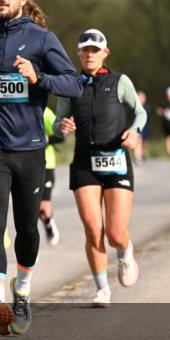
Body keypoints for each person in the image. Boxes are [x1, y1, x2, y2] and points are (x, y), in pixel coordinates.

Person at [0, 0, 82, 336]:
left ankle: (23, 291)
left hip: (29, 148)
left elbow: (74, 84)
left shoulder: (42, 39)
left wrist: (38, 77)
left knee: (27, 229)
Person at [56, 29, 145, 306]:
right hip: (85, 161)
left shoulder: (120, 81)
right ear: (78, 53)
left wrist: (134, 132)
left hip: (116, 159)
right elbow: (58, 123)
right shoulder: (70, 85)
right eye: (85, 50)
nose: (90, 54)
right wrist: (62, 126)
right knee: (94, 230)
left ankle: (125, 252)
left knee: (115, 233)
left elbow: (140, 112)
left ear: (105, 53)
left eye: (95, 50)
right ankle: (102, 289)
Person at [39, 106, 64, 246]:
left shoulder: (46, 113)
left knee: (44, 204)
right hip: (26, 164)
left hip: (46, 164)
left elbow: (61, 136)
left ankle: (48, 224)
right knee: (31, 205)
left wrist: (47, 139)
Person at [156, 86, 170, 163]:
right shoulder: (164, 103)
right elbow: (158, 111)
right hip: (166, 124)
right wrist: (163, 112)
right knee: (168, 139)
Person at [134, 90, 150, 164]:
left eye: (143, 98)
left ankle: (144, 153)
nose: (141, 99)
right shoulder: (134, 107)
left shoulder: (147, 107)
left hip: (145, 127)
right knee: (138, 140)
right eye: (139, 97)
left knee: (144, 141)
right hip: (138, 127)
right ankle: (138, 157)